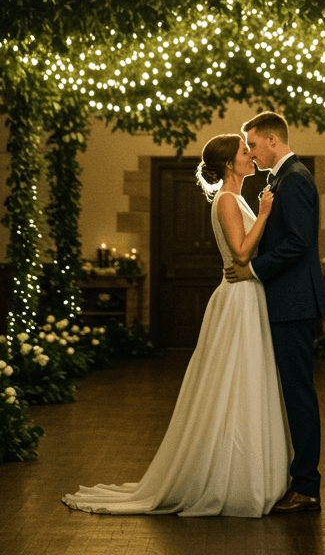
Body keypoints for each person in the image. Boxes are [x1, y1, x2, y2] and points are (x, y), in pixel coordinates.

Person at [62, 132, 290, 517]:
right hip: (238, 298)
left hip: (246, 294)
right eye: (243, 152)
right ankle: (231, 477)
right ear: (228, 164)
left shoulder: (235, 197)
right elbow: (240, 252)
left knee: (247, 378)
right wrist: (266, 214)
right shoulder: (228, 200)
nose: (250, 155)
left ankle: (248, 471)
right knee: (234, 379)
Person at [224, 111, 325, 513]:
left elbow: (299, 243)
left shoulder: (295, 178)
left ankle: (307, 485)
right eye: (246, 147)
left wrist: (252, 268)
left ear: (272, 139)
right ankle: (297, 478)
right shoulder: (284, 178)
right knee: (291, 392)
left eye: (252, 144)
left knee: (299, 394)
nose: (250, 152)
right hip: (286, 301)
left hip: (294, 303)